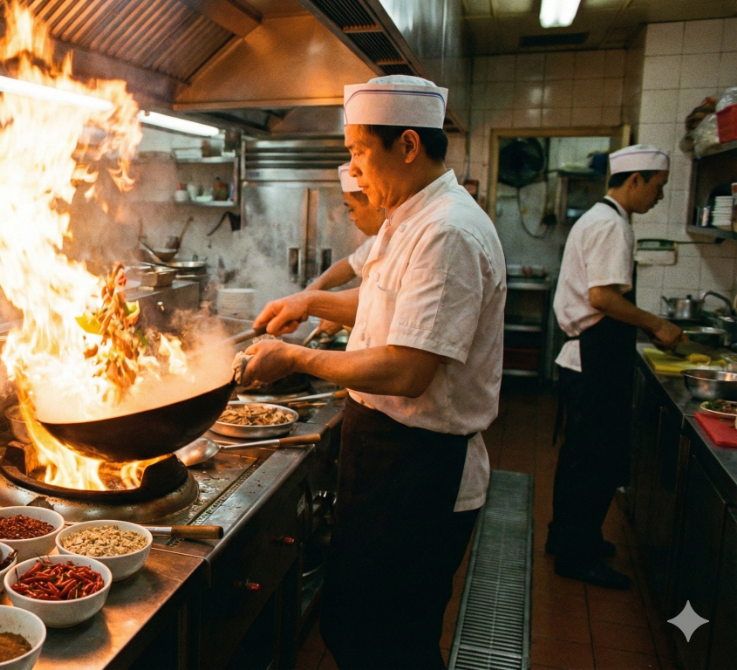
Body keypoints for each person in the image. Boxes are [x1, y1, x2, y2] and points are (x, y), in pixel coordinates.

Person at [240, 75, 505, 669]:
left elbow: (409, 368)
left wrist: (296, 357)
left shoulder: (448, 231)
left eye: (360, 151)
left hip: (419, 467)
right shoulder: (409, 217)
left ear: (407, 145)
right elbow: (385, 303)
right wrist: (310, 302)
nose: (354, 171)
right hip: (386, 454)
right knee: (355, 627)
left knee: (390, 645)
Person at [547, 144, 681, 589]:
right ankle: (575, 553)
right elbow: (603, 298)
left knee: (580, 455)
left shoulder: (601, 218)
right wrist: (657, 325)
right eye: (658, 187)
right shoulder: (611, 226)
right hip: (595, 353)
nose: (659, 198)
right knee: (595, 458)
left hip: (587, 353)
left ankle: (566, 537)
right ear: (636, 181)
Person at [305, 163, 384, 292]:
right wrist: (311, 290)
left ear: (374, 202)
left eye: (351, 209)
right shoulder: (377, 241)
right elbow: (350, 266)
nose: (351, 218)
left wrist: (308, 301)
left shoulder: (405, 238)